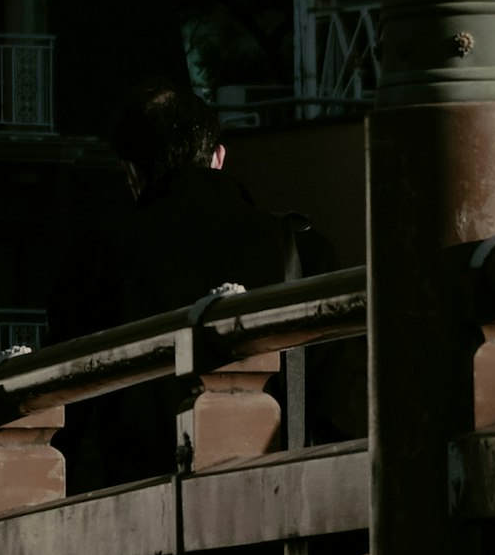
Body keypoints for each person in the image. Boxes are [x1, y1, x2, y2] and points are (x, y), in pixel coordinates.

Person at [47, 83, 308, 486]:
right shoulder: (298, 247)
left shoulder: (97, 257)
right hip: (279, 492)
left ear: (131, 171)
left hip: (144, 502)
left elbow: (64, 399)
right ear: (218, 157)